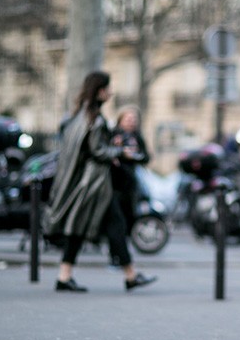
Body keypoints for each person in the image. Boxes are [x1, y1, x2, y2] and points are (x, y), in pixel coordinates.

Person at [44, 71, 157, 293]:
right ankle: (130, 275)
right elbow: (97, 150)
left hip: (87, 183)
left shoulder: (79, 115)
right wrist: (120, 152)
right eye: (108, 88)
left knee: (79, 228)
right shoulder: (94, 119)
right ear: (99, 91)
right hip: (95, 184)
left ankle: (64, 276)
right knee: (116, 225)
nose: (111, 92)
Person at [110, 105, 151, 238]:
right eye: (128, 119)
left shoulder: (137, 137)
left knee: (128, 215)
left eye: (134, 119)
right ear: (120, 120)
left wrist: (136, 156)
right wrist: (119, 151)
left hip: (130, 182)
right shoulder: (113, 134)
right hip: (115, 182)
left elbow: (146, 157)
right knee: (117, 217)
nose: (131, 122)